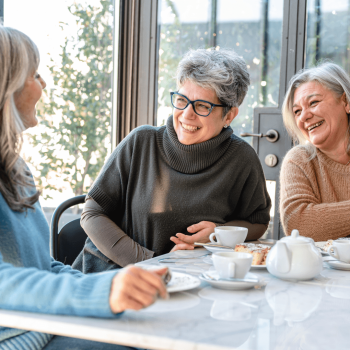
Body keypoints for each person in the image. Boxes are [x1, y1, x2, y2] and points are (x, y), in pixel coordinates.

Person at [0, 26, 168, 350]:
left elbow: (44, 268)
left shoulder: (17, 170)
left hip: (50, 326)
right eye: (35, 74)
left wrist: (114, 284)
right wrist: (99, 293)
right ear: (9, 86)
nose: (43, 84)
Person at [74, 48, 271, 273]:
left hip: (193, 282)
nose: (187, 114)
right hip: (114, 277)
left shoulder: (241, 158)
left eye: (202, 106)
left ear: (229, 116)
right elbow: (92, 212)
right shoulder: (142, 142)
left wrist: (219, 232)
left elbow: (257, 222)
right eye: (181, 100)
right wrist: (152, 262)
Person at [280, 62, 350, 240]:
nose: (304, 116)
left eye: (314, 102)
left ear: (346, 102)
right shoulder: (299, 160)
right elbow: (298, 224)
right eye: (297, 111)